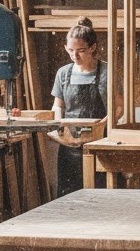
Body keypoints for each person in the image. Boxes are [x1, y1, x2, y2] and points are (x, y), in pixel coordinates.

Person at [50, 17, 122, 197]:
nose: (75, 56)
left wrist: (102, 127)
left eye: (81, 51)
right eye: (71, 51)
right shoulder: (63, 73)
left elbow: (120, 107)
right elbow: (57, 106)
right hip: (69, 141)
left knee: (102, 191)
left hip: (100, 140)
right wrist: (60, 125)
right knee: (69, 192)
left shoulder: (106, 71)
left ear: (93, 47)